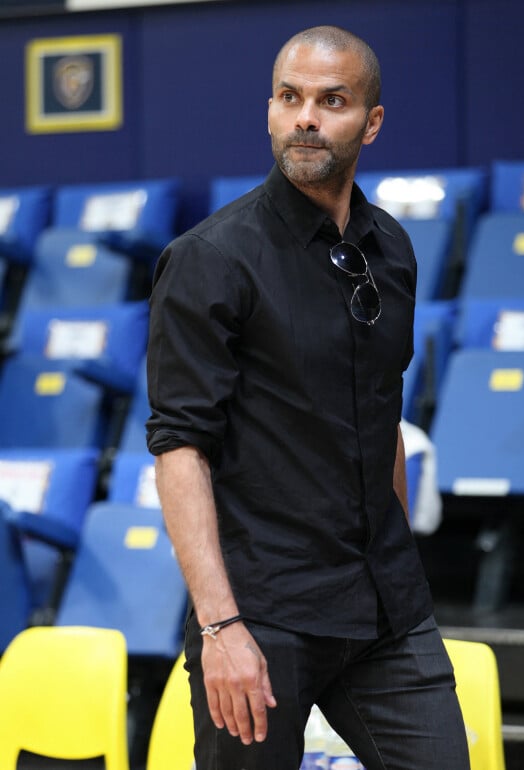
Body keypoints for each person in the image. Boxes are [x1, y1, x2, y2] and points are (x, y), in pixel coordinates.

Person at [146, 25, 470, 770]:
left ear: (372, 122)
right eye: (290, 98)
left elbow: (382, 412)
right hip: (261, 615)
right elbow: (179, 449)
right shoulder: (209, 260)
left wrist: (401, 561)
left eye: (332, 101)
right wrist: (220, 626)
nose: (306, 119)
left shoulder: (392, 249)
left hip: (385, 606)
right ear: (269, 110)